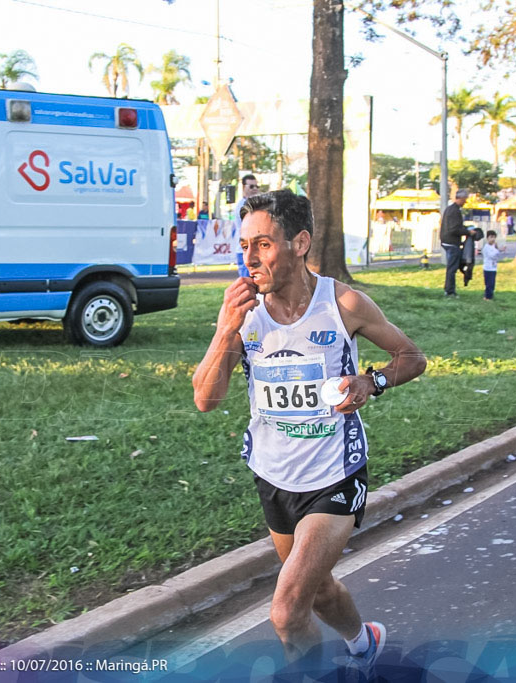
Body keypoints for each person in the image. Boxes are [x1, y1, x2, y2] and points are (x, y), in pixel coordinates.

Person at [192, 189, 427, 671]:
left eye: (262, 244)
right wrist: (224, 330)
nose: (250, 258)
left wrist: (370, 381)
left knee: (285, 611)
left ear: (299, 244)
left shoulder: (343, 303)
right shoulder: (244, 314)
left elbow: (412, 357)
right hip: (274, 475)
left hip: (335, 474)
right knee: (318, 590)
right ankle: (364, 645)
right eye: (244, 246)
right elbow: (205, 399)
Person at [440, 189, 474, 297]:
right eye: (465, 199)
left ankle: (449, 289)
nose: (465, 202)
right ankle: (449, 291)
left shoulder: (450, 209)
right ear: (460, 198)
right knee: (452, 268)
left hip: (447, 241)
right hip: (451, 242)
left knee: (453, 267)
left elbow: (456, 227)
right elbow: (454, 229)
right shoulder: (455, 211)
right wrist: (468, 231)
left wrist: (465, 229)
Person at [234, 174, 262, 277]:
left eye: (256, 186)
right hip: (245, 251)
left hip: (253, 249)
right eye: (251, 186)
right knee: (247, 284)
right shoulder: (243, 206)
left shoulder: (254, 205)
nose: (254, 189)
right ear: (243, 187)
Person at [480, 230, 505, 300]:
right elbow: (491, 256)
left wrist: (500, 250)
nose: (493, 239)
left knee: (492, 283)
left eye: (494, 237)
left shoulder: (494, 246)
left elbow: (497, 256)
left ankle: (490, 295)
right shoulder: (486, 247)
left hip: (493, 268)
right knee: (489, 283)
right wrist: (498, 250)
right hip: (488, 268)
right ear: (487, 238)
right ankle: (487, 297)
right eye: (491, 237)